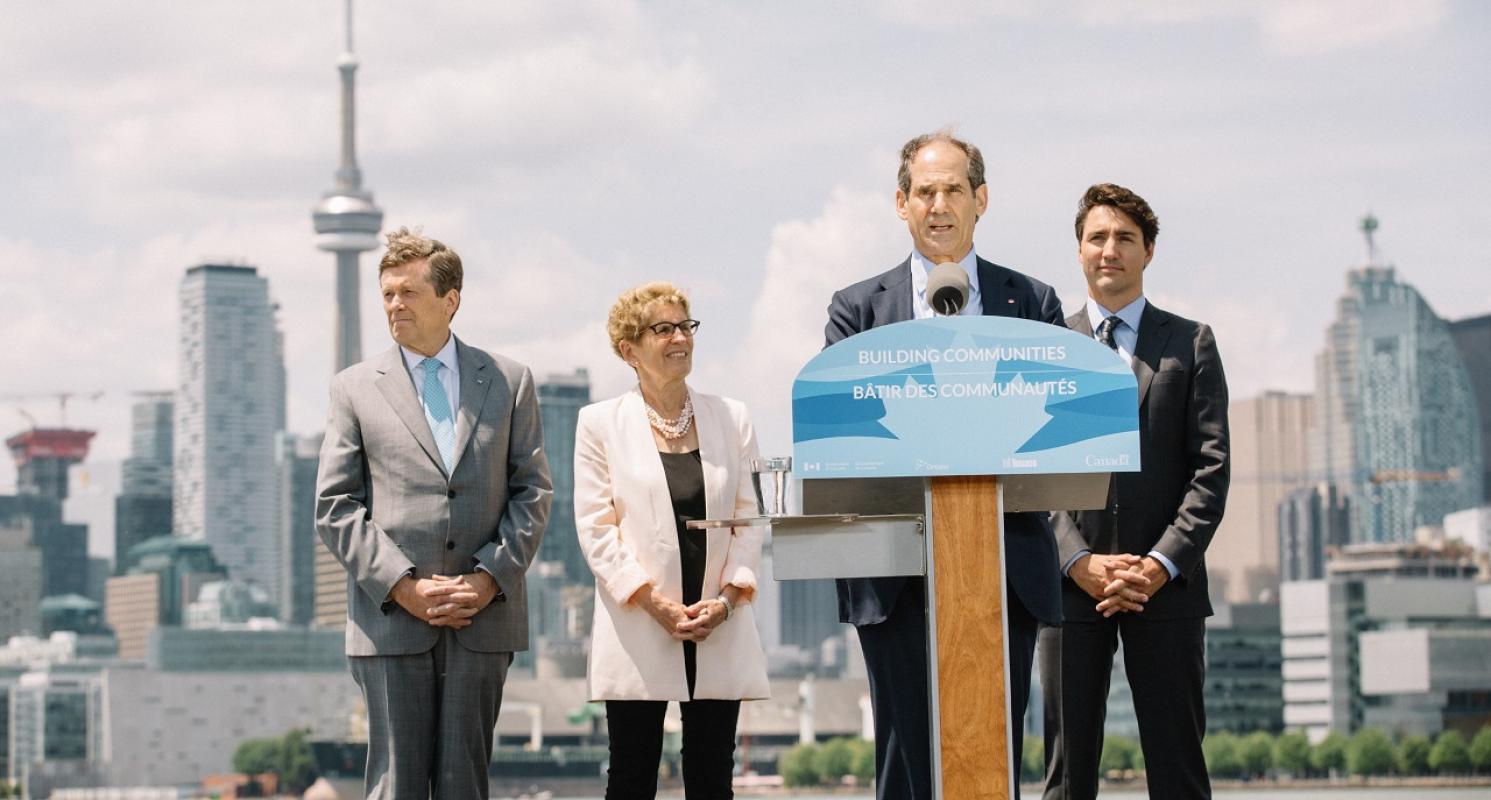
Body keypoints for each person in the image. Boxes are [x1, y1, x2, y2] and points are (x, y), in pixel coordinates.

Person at [824, 130, 1065, 799]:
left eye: (952, 189)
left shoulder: (1034, 303)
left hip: (1004, 566)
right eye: (923, 191)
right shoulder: (856, 312)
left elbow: (1056, 426)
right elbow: (849, 431)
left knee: (993, 757)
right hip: (893, 571)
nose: (938, 205)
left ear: (979, 199)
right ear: (899, 204)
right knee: (904, 765)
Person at [316, 227, 553, 799]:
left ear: (450, 299)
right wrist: (402, 586)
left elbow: (533, 492)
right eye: (387, 295)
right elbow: (334, 505)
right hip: (392, 623)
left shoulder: (508, 381)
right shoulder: (354, 389)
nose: (394, 305)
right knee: (394, 786)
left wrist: (486, 578)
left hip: (482, 619)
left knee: (465, 786)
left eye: (408, 292)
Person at [1039, 184, 1229, 800]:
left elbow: (1211, 472)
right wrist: (1077, 560)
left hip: (1166, 590)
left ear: (1149, 251)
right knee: (1067, 778)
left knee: (1178, 772)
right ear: (1079, 251)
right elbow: (1030, 473)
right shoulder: (1048, 350)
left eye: (1124, 238)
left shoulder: (1190, 342)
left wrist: (1157, 565)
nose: (1109, 250)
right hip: (1070, 591)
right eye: (1097, 237)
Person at [574, 281, 770, 799]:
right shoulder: (598, 424)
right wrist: (652, 602)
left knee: (712, 777)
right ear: (629, 350)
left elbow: (750, 521)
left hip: (717, 622)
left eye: (686, 326)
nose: (680, 337)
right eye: (664, 329)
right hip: (641, 622)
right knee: (632, 776)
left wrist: (727, 602)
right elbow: (596, 529)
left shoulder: (733, 418)